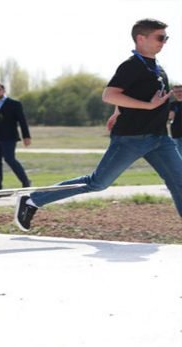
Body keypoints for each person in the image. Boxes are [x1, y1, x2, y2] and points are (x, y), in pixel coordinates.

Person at [15, 18, 182, 230]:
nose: (164, 42)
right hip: (131, 139)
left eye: (166, 38)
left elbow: (127, 94)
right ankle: (32, 200)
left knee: (179, 182)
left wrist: (118, 111)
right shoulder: (131, 66)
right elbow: (109, 94)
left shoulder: (156, 66)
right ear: (141, 38)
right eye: (160, 37)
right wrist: (147, 107)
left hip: (159, 138)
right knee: (97, 183)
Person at [0, 83, 32, 187]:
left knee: (9, 159)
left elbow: (22, 121)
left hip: (9, 137)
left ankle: (25, 181)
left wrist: (26, 136)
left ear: (3, 91)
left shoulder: (14, 104)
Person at [169, 85, 182, 155]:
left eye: (180, 91)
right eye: (176, 92)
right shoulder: (171, 105)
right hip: (176, 134)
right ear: (173, 93)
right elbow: (169, 119)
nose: (179, 93)